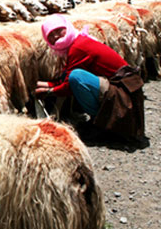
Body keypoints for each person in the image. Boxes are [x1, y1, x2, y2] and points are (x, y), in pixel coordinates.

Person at [35, 13, 145, 144]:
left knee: (76, 77)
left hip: (123, 94)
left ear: (67, 27)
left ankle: (99, 121)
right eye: (51, 35)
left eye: (58, 30)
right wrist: (45, 84)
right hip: (121, 86)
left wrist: (50, 92)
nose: (56, 36)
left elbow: (69, 84)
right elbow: (65, 78)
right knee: (71, 75)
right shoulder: (79, 41)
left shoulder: (78, 47)